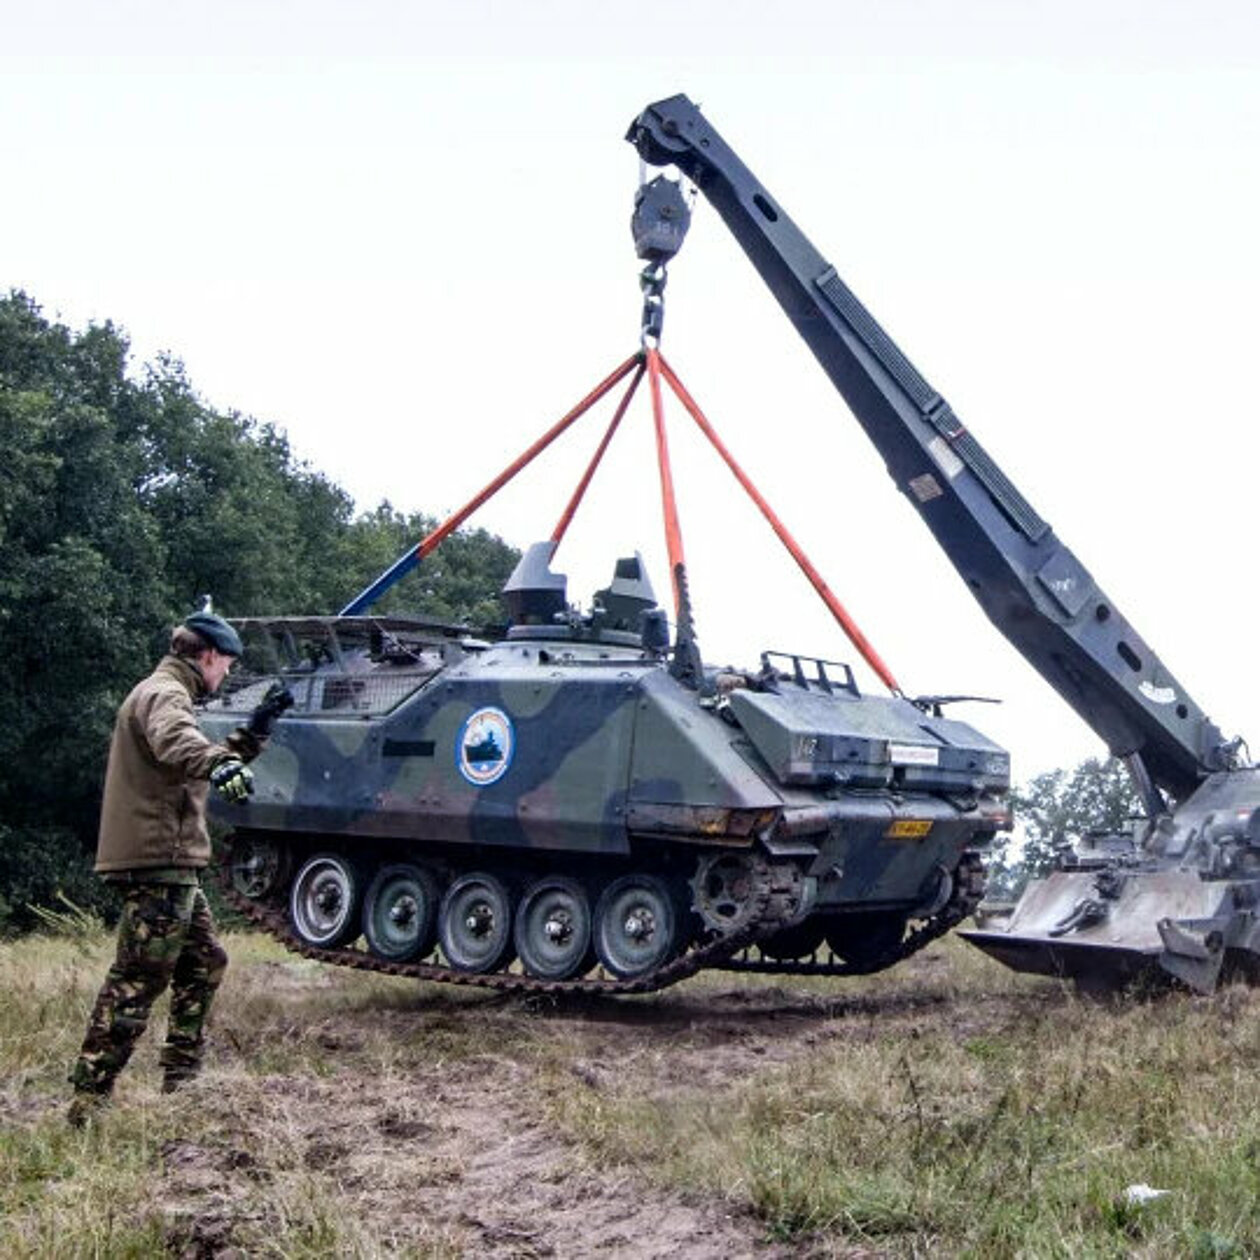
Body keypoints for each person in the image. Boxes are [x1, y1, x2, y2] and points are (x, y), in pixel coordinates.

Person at [67, 611, 291, 1127]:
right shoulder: (165, 694)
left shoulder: (166, 691)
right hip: (156, 858)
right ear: (208, 655)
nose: (227, 675)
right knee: (138, 978)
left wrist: (255, 732)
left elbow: (195, 756)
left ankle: (182, 1080)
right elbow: (179, 744)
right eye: (227, 665)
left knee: (204, 961)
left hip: (169, 859)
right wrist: (221, 763)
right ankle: (87, 1101)